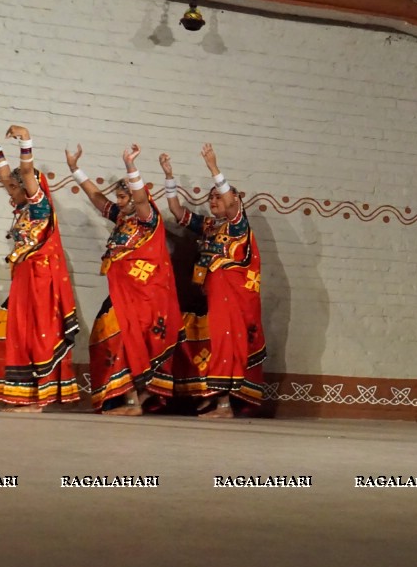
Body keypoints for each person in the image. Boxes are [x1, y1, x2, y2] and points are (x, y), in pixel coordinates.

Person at [65, 143, 184, 415]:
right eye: (118, 197)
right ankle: (127, 397)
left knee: (124, 337)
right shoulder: (122, 218)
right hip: (125, 293)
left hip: (146, 296)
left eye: (122, 197)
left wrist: (131, 166)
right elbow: (97, 199)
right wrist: (75, 170)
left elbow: (141, 199)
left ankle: (132, 401)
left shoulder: (147, 218)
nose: (117, 202)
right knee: (108, 334)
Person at [0, 126, 79, 411]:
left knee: (39, 335)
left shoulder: (39, 205)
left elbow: (26, 173)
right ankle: (23, 396)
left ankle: (40, 400)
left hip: (41, 280)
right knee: (18, 334)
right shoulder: (21, 209)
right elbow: (7, 177)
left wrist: (27, 140)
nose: (10, 189)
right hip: (23, 276)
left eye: (16, 187)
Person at [159, 144, 267, 417]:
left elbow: (231, 204)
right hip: (211, 298)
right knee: (209, 344)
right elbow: (176, 210)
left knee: (225, 344)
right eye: (211, 198)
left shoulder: (238, 224)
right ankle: (211, 398)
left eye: (219, 197)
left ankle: (224, 405)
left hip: (231, 300)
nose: (214, 202)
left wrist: (214, 168)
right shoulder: (210, 226)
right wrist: (169, 177)